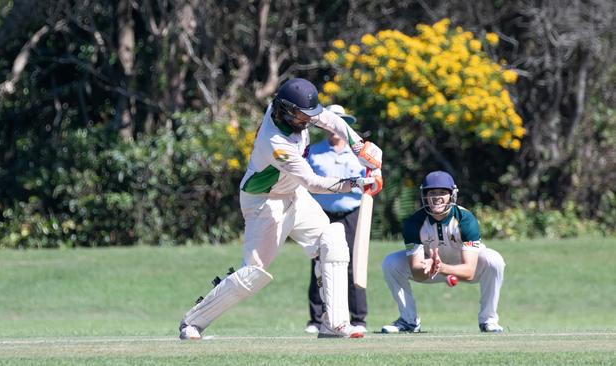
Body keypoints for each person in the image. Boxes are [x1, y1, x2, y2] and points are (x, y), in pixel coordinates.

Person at [178, 78, 383, 340]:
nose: (307, 120)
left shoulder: (299, 114)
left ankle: (334, 323)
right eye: (301, 115)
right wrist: (357, 183)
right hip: (265, 202)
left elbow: (331, 120)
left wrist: (359, 146)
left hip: (293, 194)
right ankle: (192, 323)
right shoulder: (275, 141)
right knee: (253, 273)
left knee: (332, 240)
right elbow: (312, 182)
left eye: (309, 114)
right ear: (285, 110)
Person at [380, 171, 505, 333]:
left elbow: (469, 271)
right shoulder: (414, 223)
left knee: (494, 260)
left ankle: (488, 320)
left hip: (463, 266)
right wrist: (430, 267)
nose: (437, 197)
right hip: (429, 267)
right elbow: (417, 274)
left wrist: (442, 267)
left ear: (452, 195)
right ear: (424, 195)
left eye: (442, 193)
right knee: (391, 263)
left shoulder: (466, 219)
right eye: (432, 192)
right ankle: (408, 320)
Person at [304, 104, 368, 334]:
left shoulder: (359, 152)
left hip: (352, 212)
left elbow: (369, 179)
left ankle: (358, 318)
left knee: (353, 262)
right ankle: (317, 318)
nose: (334, 129)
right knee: (320, 263)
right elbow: (306, 181)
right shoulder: (315, 150)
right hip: (323, 213)